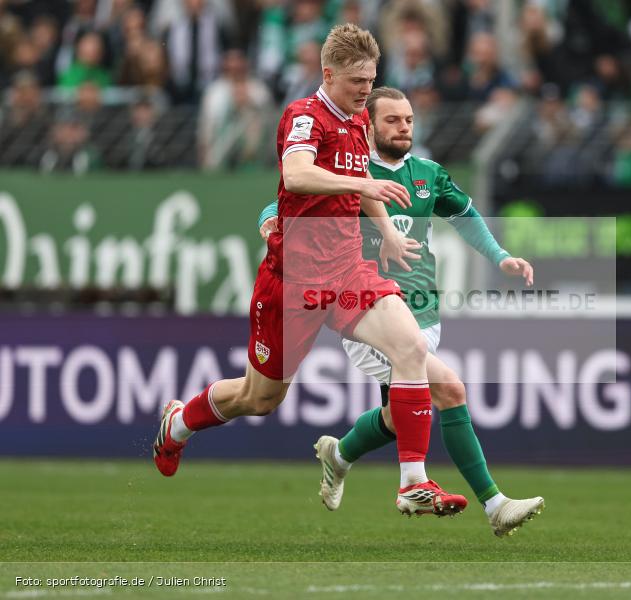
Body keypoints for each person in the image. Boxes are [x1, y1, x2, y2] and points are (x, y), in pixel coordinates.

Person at [152, 24, 468, 518]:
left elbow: (362, 181)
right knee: (259, 398)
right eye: (357, 81)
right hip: (293, 283)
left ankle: (413, 483)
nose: (365, 90)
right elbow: (297, 174)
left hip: (347, 272)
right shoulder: (304, 115)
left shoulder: (359, 120)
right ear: (328, 74)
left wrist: (385, 229)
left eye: (371, 79)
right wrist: (360, 186)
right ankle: (179, 423)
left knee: (410, 347)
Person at [257, 86, 545, 537]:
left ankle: (339, 455)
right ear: (368, 126)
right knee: (449, 389)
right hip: (366, 314)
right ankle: (494, 504)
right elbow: (284, 199)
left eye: (408, 119)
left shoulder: (427, 173)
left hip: (423, 313)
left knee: (398, 417)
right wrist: (268, 219)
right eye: (392, 120)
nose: (404, 127)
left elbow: (465, 216)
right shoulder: (350, 172)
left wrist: (501, 256)